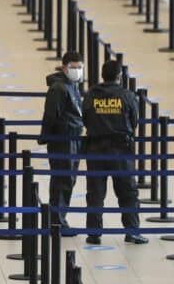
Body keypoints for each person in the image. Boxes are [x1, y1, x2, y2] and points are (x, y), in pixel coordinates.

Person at [82, 60, 147, 245]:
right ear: (119, 76)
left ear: (102, 75)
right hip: (121, 150)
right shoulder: (126, 96)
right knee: (128, 192)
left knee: (95, 193)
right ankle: (132, 231)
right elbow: (134, 121)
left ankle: (94, 233)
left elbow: (85, 119)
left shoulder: (91, 95)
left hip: (95, 149)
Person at [39, 51, 84, 232]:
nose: (78, 71)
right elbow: (51, 115)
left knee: (68, 180)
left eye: (80, 68)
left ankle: (59, 218)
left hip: (73, 137)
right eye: (74, 67)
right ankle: (56, 221)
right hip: (63, 139)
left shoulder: (72, 85)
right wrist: (46, 136)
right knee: (62, 180)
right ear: (64, 67)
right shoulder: (59, 88)